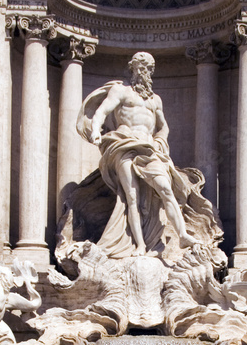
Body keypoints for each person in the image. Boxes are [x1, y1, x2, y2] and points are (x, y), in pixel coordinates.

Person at [78, 52, 198, 256]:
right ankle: (140, 244)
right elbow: (102, 111)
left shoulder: (155, 100)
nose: (145, 71)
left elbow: (163, 127)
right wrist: (96, 130)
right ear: (132, 68)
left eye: (149, 68)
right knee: (131, 196)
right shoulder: (120, 91)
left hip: (150, 149)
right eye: (141, 67)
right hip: (124, 144)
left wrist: (160, 142)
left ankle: (183, 234)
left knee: (165, 188)